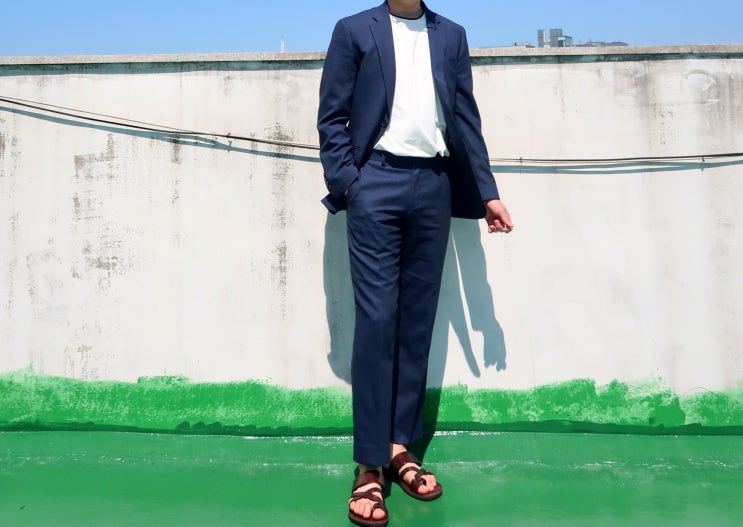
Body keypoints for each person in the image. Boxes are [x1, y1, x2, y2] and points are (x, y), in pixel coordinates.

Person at [317, 1, 513, 525]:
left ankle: (400, 447)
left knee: (417, 322)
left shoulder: (451, 35)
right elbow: (332, 116)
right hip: (374, 182)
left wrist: (488, 193)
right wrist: (350, 184)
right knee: (378, 319)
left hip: (434, 184)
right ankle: (369, 465)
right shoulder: (354, 30)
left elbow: (465, 117)